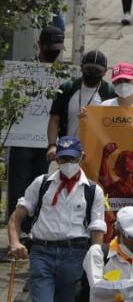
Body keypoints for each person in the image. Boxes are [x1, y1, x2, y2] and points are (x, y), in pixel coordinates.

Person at [6, 136, 106, 302]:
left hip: (75, 256)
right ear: (56, 158)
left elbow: (97, 228)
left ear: (82, 157)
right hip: (42, 254)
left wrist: (95, 261)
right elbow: (16, 217)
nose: (68, 163)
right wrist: (15, 242)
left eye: (72, 158)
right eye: (63, 158)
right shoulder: (41, 183)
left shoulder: (93, 190)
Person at [5, 26, 65, 219]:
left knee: (40, 186)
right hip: (22, 141)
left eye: (57, 47)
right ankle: (17, 229)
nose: (54, 52)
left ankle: (33, 228)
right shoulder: (22, 70)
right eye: (50, 46)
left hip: (46, 144)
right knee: (19, 188)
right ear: (39, 45)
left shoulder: (63, 76)